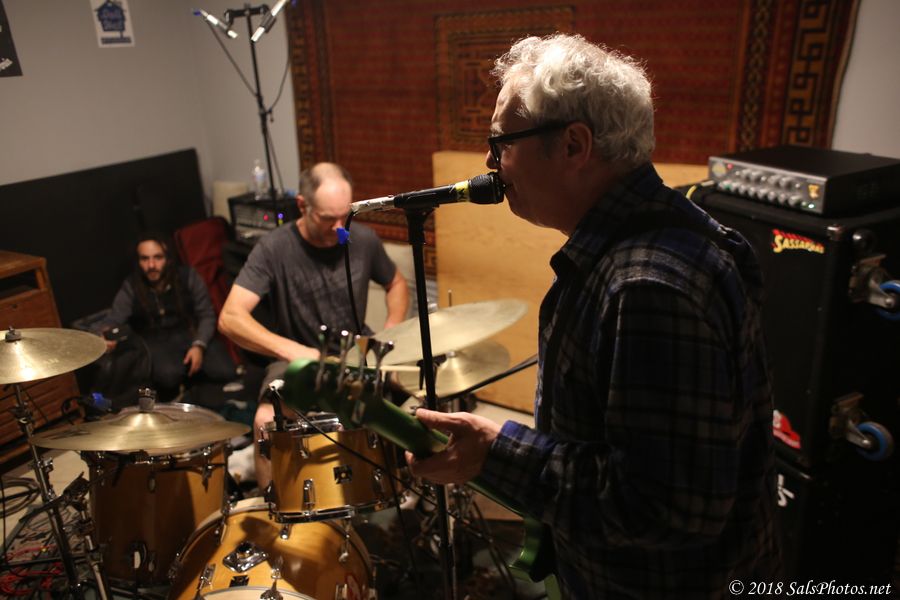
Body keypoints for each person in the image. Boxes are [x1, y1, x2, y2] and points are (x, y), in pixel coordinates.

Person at [406, 34, 781, 598]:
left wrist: (496, 452)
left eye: (501, 141)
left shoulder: (647, 285)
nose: (489, 162)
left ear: (574, 145)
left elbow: (663, 508)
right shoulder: (647, 240)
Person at [219, 162, 409, 489]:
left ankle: (394, 488)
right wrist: (294, 350)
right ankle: (273, 504)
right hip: (296, 359)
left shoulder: (363, 239)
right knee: (265, 421)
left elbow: (396, 283)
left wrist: (390, 330)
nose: (339, 227)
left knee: (416, 397)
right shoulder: (274, 248)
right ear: (302, 205)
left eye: (345, 216)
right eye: (327, 218)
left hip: (355, 353)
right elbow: (230, 317)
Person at [98, 233, 237, 401]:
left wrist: (199, 345)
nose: (151, 265)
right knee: (169, 375)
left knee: (226, 371)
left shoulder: (188, 276)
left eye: (158, 257)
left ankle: (197, 388)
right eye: (144, 259)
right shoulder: (132, 285)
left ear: (169, 258)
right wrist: (104, 335)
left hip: (189, 333)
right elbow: (114, 319)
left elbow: (207, 314)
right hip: (155, 340)